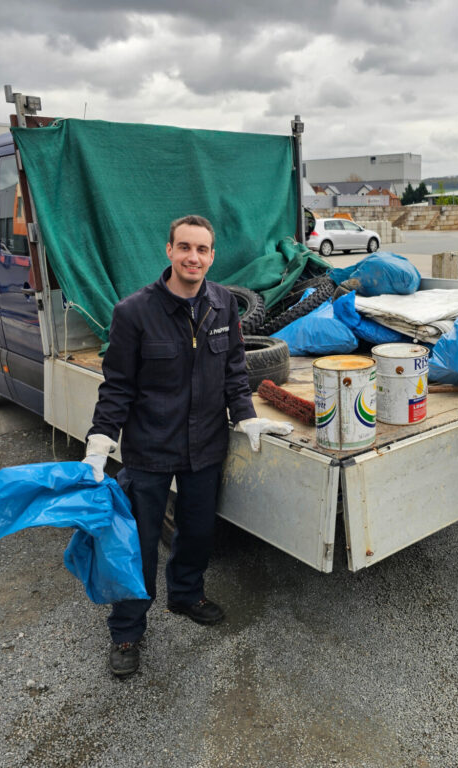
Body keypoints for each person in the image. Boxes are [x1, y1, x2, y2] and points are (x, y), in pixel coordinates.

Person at [82, 215, 292, 677]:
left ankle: (186, 595)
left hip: (205, 447)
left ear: (212, 256)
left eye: (202, 249)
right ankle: (127, 629)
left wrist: (248, 417)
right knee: (137, 545)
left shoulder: (222, 305)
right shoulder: (133, 312)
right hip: (149, 450)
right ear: (169, 251)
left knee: (197, 532)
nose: (193, 257)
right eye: (184, 248)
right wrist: (100, 442)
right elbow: (117, 388)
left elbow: (234, 371)